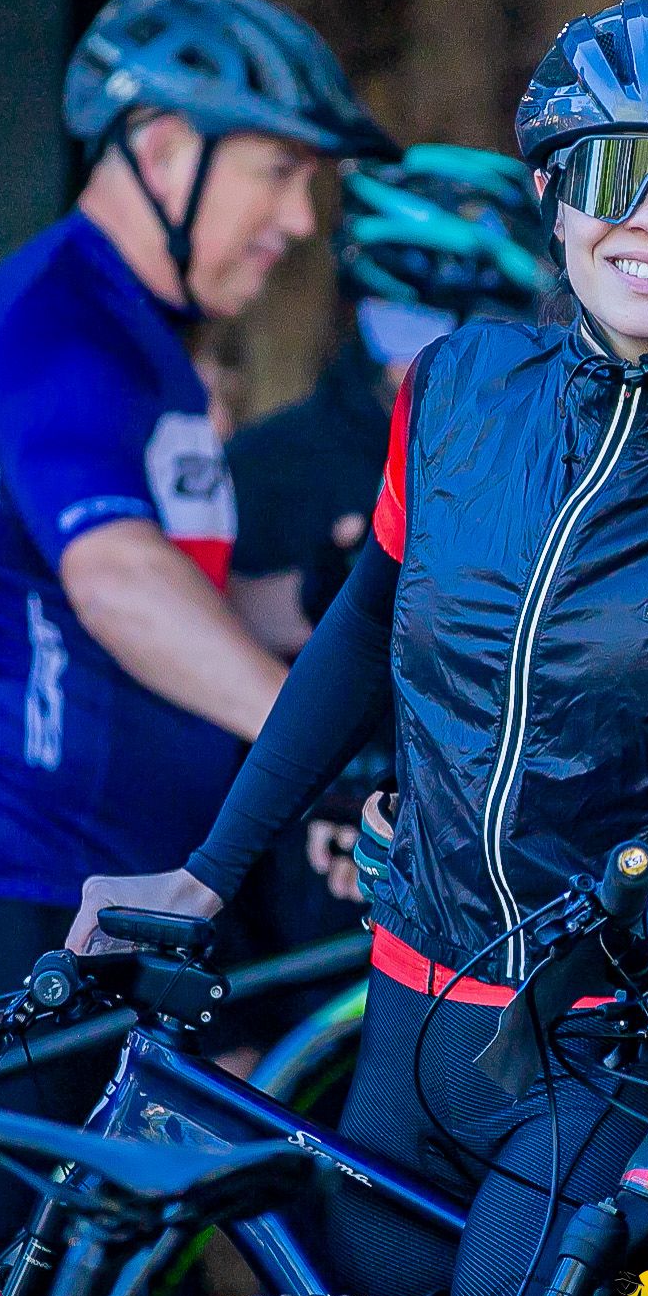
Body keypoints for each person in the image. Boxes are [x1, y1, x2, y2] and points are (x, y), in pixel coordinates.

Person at [65, 0, 648, 1296]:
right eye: (613, 171)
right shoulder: (456, 386)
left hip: (608, 1054)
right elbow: (362, 630)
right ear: (552, 197)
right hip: (408, 1020)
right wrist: (207, 875)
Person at [0, 0, 395, 1269]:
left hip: (99, 896)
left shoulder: (144, 343)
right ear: (161, 149)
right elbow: (119, 585)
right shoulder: (62, 325)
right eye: (279, 174)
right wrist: (309, 735)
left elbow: (179, 601)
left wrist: (340, 603)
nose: (300, 222)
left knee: (222, 1249)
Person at [218, 145, 553, 992]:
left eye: (469, 330)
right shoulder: (267, 465)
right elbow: (198, 625)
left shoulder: (552, 461)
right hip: (288, 893)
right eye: (399, 323)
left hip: (480, 897)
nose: (425, 358)